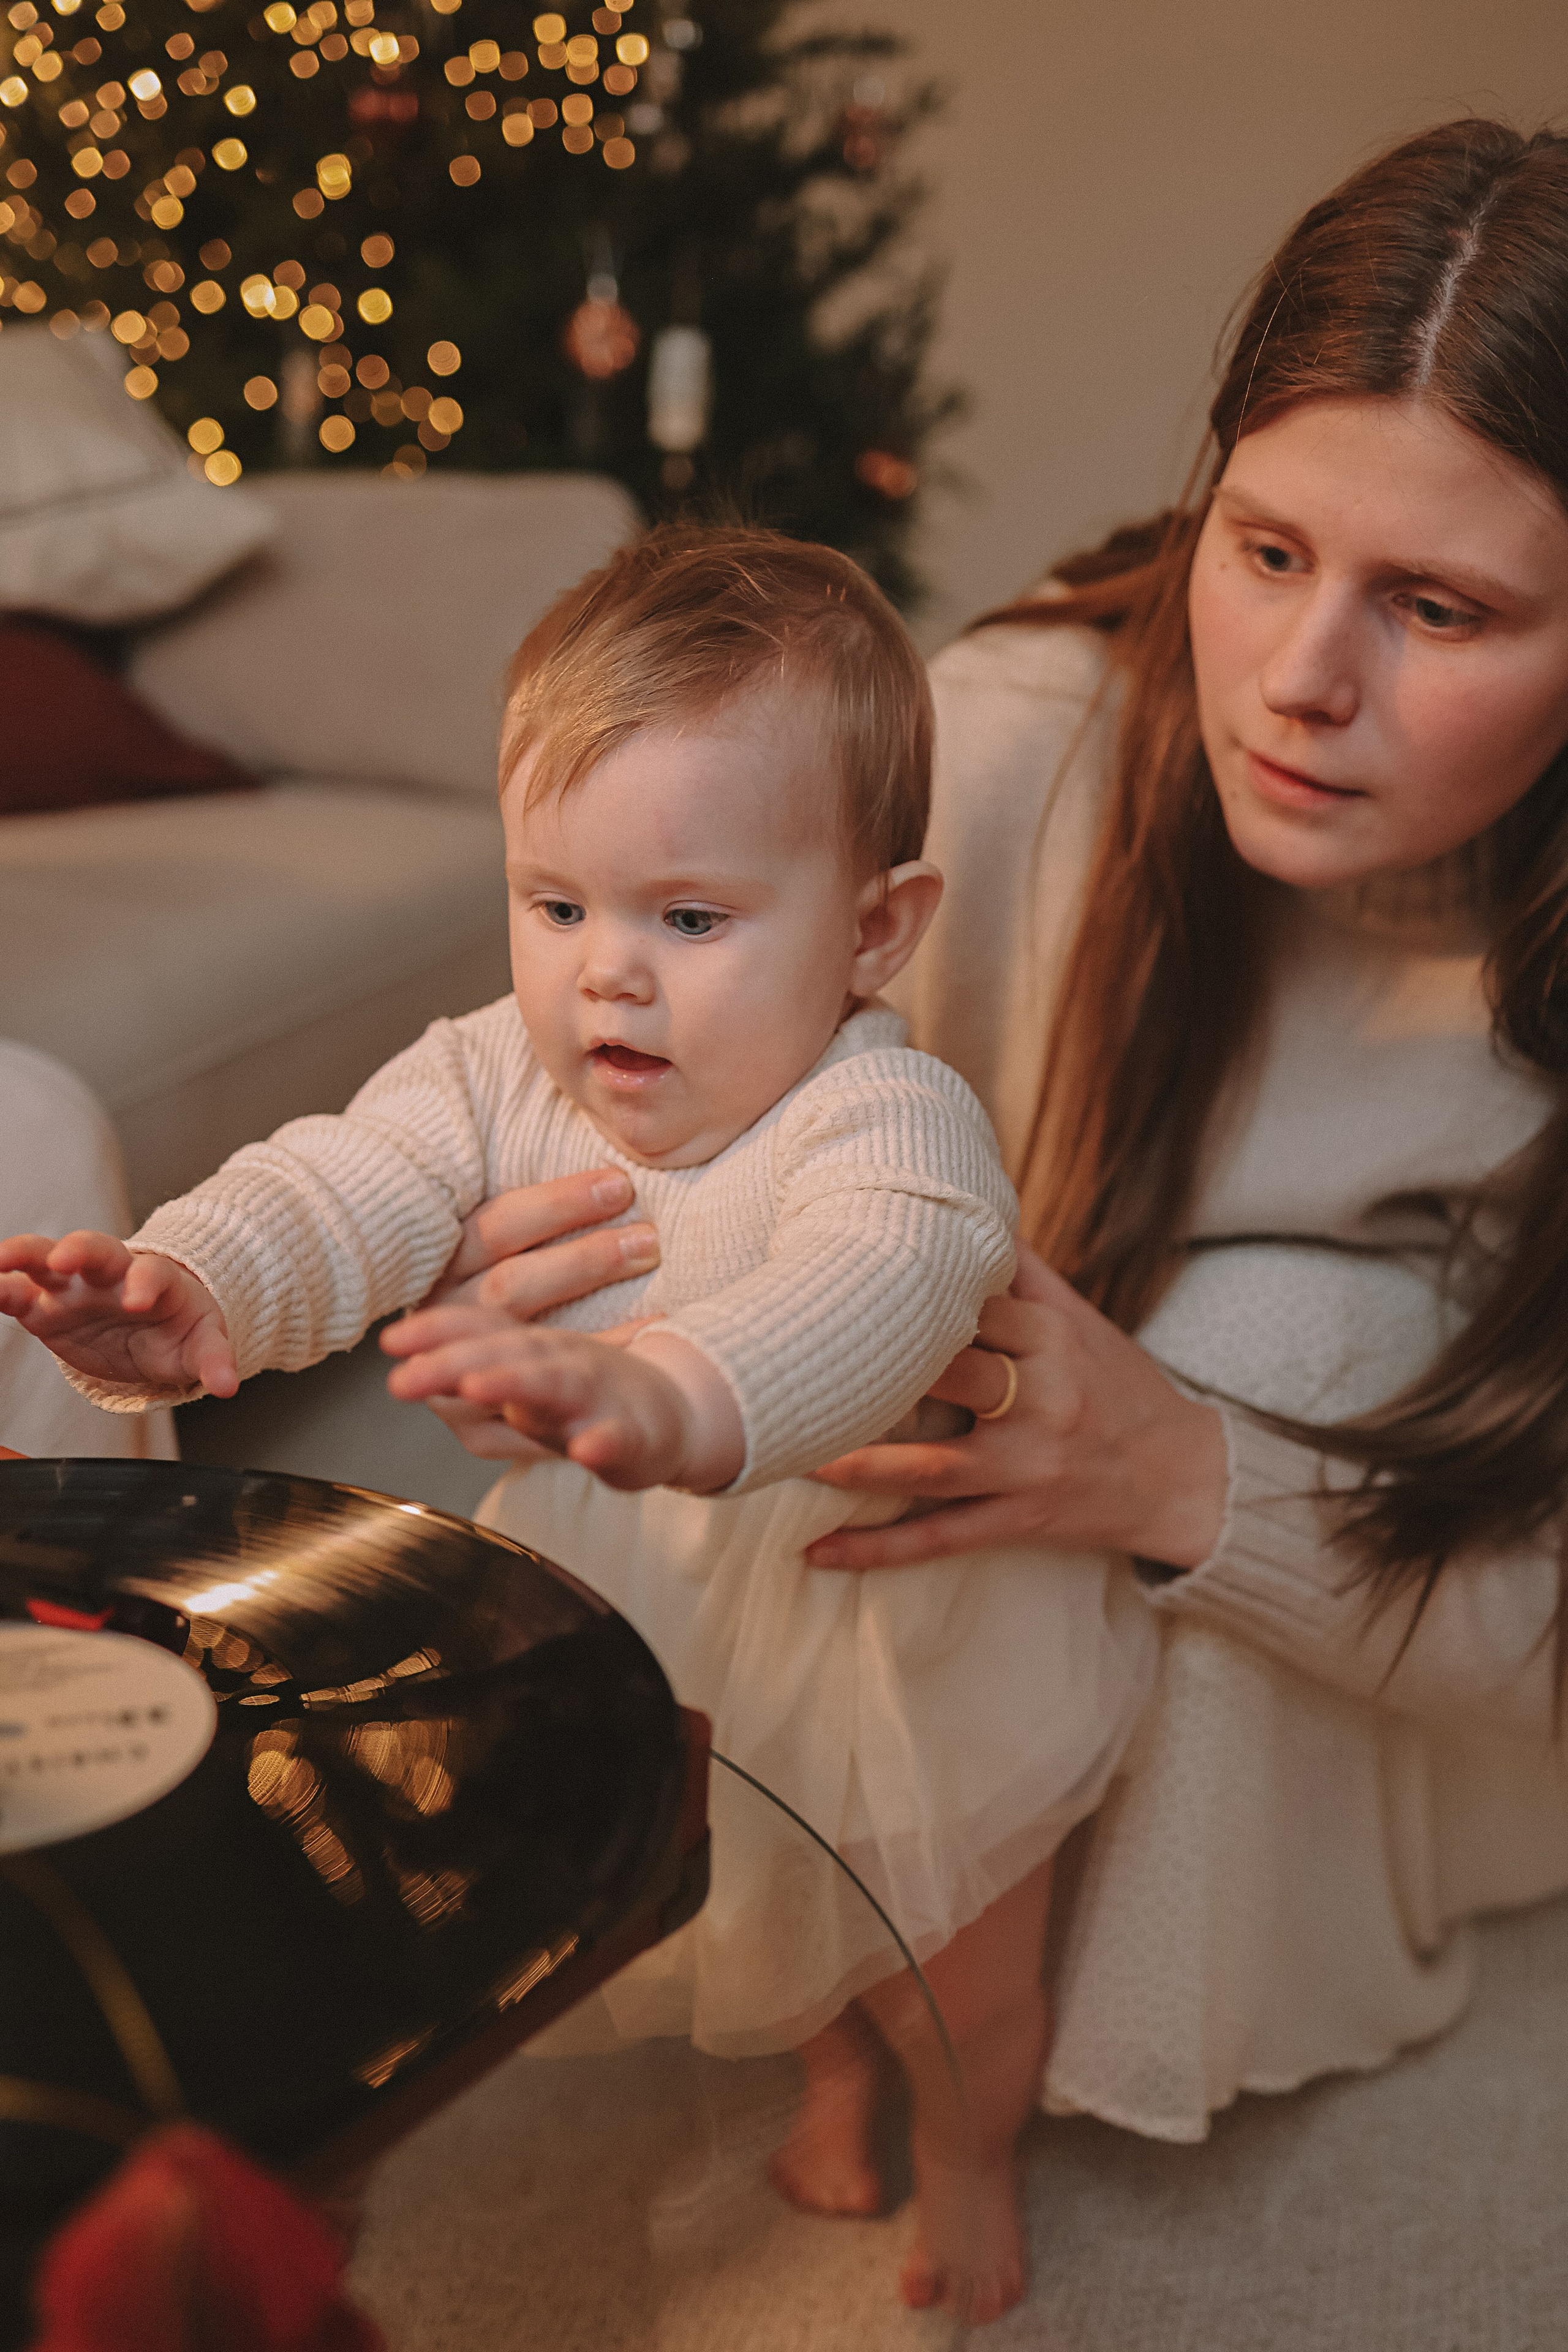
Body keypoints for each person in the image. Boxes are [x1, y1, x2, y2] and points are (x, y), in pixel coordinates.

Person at [381, 115, 1568, 2173]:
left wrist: (1189, 1471)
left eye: (1443, 611)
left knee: (1261, 1336)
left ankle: (1107, 2014)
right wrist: (565, 1266)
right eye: (1267, 549)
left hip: (1405, 1614)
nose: (1301, 681)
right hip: (936, 1594)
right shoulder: (1014, 752)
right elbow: (666, 1114)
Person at [0, 528, 1158, 2324]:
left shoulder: (887, 1113)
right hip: (644, 1582)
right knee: (754, 1879)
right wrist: (195, 1286)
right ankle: (832, 2072)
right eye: (557, 904)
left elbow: (883, 1291)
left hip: (892, 1617)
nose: (607, 976)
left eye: (688, 919)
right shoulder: (496, 1070)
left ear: (875, 928)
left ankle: (969, 2138)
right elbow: (350, 1182)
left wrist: (670, 1386)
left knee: (945, 1940)